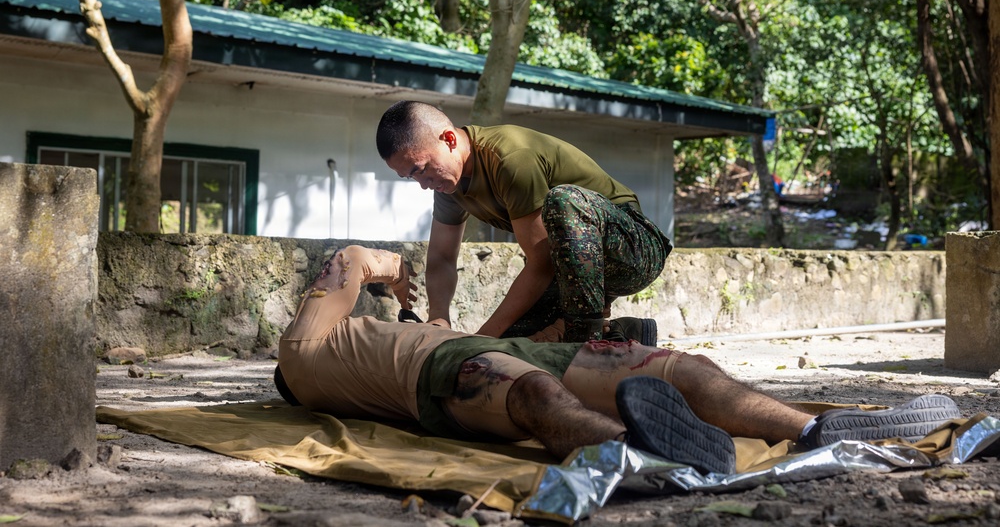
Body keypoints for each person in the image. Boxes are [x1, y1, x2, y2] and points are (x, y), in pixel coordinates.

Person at [276, 245, 963, 474]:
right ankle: (658, 453)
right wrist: (398, 278)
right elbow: (349, 259)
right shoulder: (302, 354)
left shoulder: (349, 348)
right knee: (536, 397)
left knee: (678, 368)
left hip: (488, 348)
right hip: (436, 377)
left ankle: (816, 428)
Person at [374, 100, 670, 345]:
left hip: (633, 247)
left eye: (421, 169)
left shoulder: (509, 157)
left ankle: (585, 339)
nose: (423, 184)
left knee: (563, 201)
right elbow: (441, 257)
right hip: (573, 273)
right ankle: (626, 334)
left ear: (449, 139)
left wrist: (481, 338)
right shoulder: (449, 184)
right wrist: (439, 316)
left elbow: (541, 262)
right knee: (513, 344)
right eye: (411, 177)